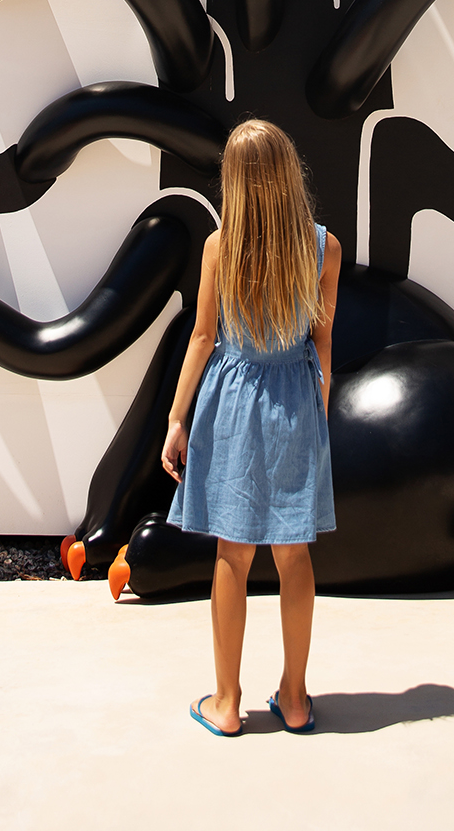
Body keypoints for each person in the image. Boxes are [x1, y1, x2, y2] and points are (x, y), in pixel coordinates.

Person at [161, 118, 341, 738]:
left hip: (233, 401)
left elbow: (204, 338)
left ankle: (228, 702)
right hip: (294, 397)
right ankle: (294, 698)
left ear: (234, 182)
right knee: (294, 556)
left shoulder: (219, 247)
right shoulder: (324, 247)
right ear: (290, 172)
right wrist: (316, 416)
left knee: (231, 556)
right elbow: (322, 345)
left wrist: (178, 417)